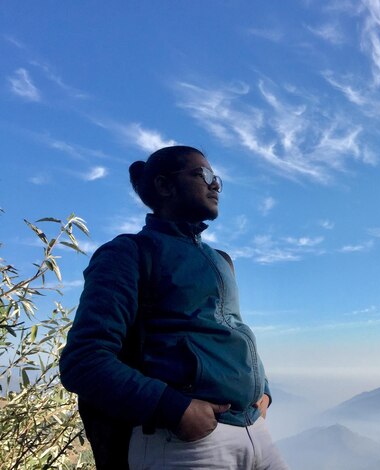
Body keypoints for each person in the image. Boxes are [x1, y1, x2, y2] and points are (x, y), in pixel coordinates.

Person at [60, 145, 288, 469]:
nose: (215, 185)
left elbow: (233, 331)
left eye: (217, 178)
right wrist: (173, 408)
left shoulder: (221, 260)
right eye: (203, 175)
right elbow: (83, 360)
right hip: (186, 443)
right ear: (165, 186)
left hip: (255, 428)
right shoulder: (129, 253)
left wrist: (263, 391)